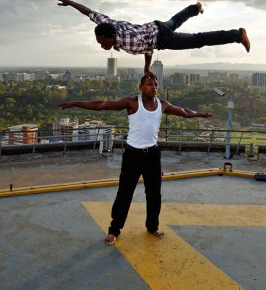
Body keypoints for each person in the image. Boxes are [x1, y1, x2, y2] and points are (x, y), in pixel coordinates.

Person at [58, 72, 212, 245]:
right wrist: (75, 103)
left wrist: (200, 114)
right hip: (133, 155)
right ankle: (114, 230)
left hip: (153, 155)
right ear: (141, 87)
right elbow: (101, 105)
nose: (153, 87)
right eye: (149, 84)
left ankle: (152, 226)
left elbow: (184, 112)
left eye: (155, 84)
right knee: (124, 193)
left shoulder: (162, 104)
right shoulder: (132, 102)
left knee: (154, 194)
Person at [55, 0, 250, 73]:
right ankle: (195, 8)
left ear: (109, 37)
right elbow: (89, 12)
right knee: (175, 20)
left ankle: (237, 35)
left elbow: (149, 50)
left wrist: (147, 69)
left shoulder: (129, 44)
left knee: (197, 40)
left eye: (101, 43)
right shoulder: (107, 24)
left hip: (161, 38)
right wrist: (70, 3)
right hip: (155, 26)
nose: (101, 46)